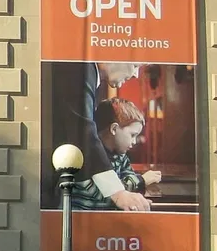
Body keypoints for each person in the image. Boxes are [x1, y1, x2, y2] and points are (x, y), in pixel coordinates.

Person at [47, 60, 152, 212]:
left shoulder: (87, 74)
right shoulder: (79, 70)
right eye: (135, 66)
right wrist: (117, 193)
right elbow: (82, 130)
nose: (135, 75)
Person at [69, 98, 161, 211]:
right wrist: (140, 180)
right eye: (132, 135)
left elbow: (125, 184)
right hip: (82, 219)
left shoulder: (121, 156)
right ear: (114, 129)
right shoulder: (89, 156)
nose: (134, 141)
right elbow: (103, 194)